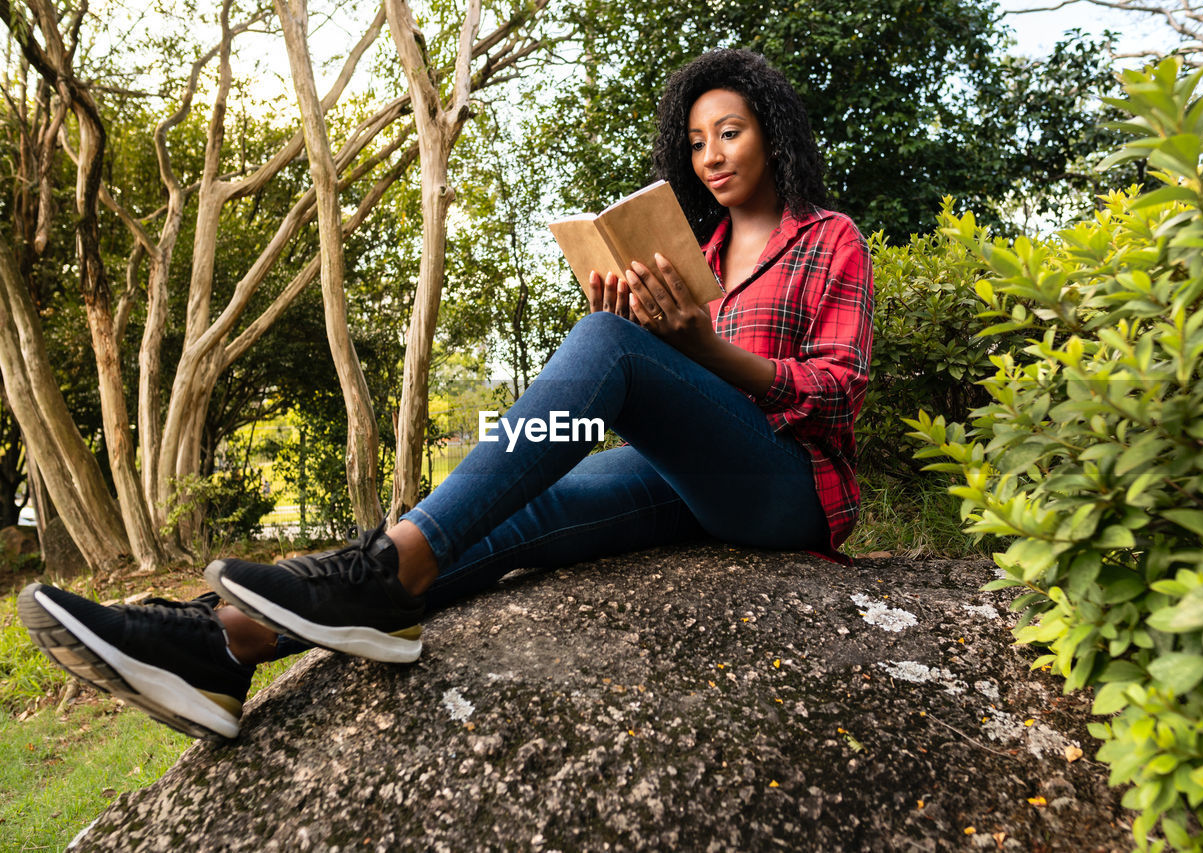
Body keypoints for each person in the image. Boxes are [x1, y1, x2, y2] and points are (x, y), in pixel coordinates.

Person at [18, 49, 873, 740]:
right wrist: (648, 329)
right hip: (687, 483)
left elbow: (837, 398)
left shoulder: (829, 239)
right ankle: (225, 641)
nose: (712, 154)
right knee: (522, 508)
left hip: (787, 488)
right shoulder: (698, 248)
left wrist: (697, 348)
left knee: (607, 349)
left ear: (775, 135)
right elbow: (677, 390)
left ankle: (382, 576)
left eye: (730, 132)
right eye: (695, 140)